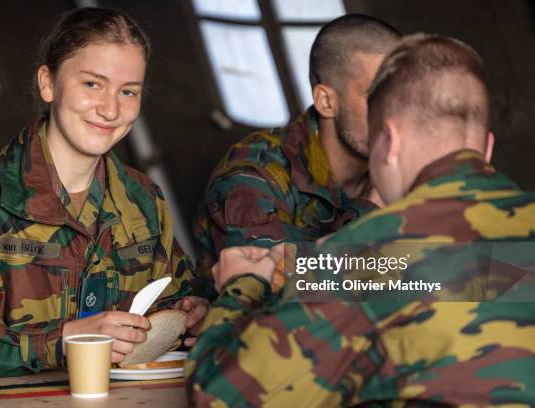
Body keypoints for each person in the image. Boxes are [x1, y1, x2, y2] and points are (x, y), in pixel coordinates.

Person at [185, 34, 535, 406]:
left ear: (389, 142)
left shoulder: (368, 259)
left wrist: (244, 285)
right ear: (487, 146)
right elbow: (478, 275)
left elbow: (219, 396)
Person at [0, 7, 208, 381]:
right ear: (48, 83)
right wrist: (60, 342)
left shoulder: (143, 200)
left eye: (128, 91)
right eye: (92, 84)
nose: (110, 109)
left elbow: (172, 293)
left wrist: (189, 312)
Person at [193, 14, 402, 284]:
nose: (398, 112)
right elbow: (275, 296)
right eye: (378, 96)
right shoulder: (252, 174)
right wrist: (371, 213)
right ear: (326, 101)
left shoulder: (408, 159)